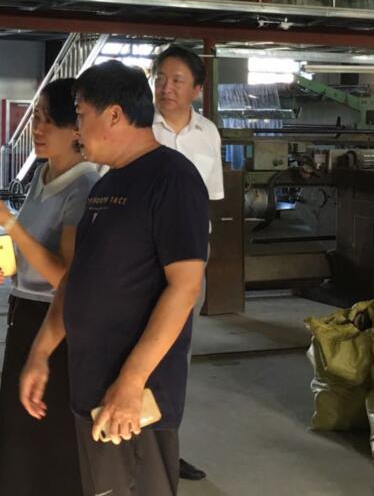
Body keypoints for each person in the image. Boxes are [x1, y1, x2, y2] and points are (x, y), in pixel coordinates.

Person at [20, 60, 209, 496]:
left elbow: (185, 287)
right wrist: (40, 353)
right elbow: (76, 281)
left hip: (135, 398)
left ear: (115, 115)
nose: (77, 130)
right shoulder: (106, 187)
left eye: (81, 115)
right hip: (94, 388)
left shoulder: (172, 179)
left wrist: (131, 382)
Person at [0, 78, 99, 495]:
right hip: (23, 313)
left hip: (56, 324)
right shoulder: (42, 175)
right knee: (17, 430)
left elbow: (67, 277)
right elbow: (31, 255)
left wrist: (11, 225)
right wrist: (9, 267)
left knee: (50, 432)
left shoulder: (84, 186)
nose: (38, 129)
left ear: (76, 129)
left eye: (50, 121)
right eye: (36, 119)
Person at [150, 44, 224, 481]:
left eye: (177, 80)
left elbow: (208, 198)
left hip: (189, 261)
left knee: (176, 356)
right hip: (143, 260)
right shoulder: (139, 126)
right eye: (160, 78)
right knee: (138, 349)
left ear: (197, 89)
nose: (166, 87)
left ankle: (167, 448)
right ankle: (133, 446)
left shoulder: (208, 133)